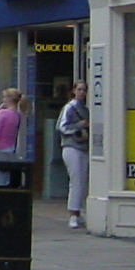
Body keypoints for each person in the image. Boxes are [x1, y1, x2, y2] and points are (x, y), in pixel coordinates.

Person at [58, 80, 90, 230]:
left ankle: (78, 212)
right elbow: (62, 127)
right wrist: (79, 126)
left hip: (83, 147)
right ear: (73, 91)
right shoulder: (69, 107)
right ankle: (73, 214)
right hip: (71, 146)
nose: (82, 93)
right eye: (79, 89)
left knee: (82, 181)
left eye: (84, 90)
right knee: (76, 180)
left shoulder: (85, 108)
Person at [0, 88, 26, 157]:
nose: (3, 100)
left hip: (0, 147)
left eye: (4, 97)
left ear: (9, 99)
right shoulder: (17, 115)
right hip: (11, 147)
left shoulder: (3, 113)